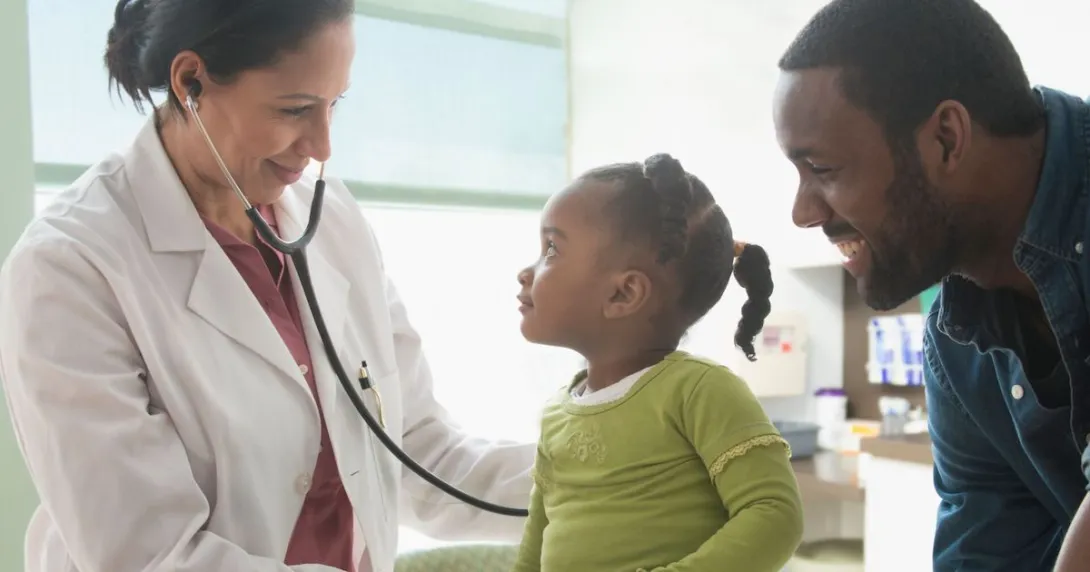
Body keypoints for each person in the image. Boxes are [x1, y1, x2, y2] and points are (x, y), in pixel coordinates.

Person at [0, 1, 534, 571]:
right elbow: (149, 555)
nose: (323, 144)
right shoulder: (71, 267)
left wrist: (612, 468)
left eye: (334, 105)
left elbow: (417, 454)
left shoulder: (333, 223)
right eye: (295, 109)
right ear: (190, 82)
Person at [772, 0, 1090, 569]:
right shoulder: (954, 343)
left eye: (822, 169)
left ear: (946, 138)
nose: (802, 212)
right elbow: (989, 551)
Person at [511, 153, 805, 572]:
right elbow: (534, 549)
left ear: (624, 294)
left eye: (551, 249)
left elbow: (775, 513)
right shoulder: (557, 413)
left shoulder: (701, 391)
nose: (527, 272)